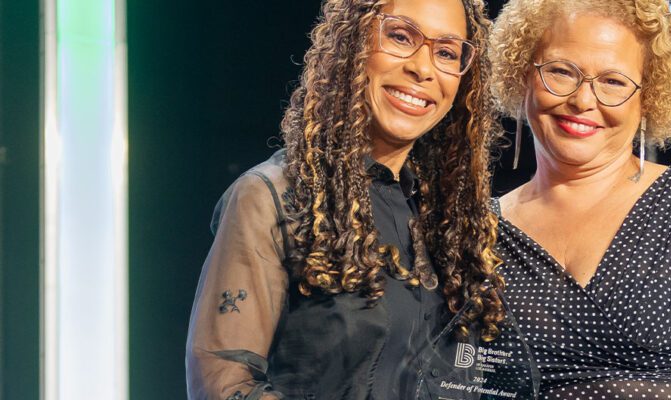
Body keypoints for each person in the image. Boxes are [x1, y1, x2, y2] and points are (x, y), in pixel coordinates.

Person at [185, 0, 507, 398]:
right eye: (401, 36)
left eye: (446, 52)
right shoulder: (273, 198)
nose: (423, 68)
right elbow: (224, 384)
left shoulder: (453, 222)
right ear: (353, 41)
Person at [488, 0, 671, 398]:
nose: (583, 100)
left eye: (613, 82)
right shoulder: (481, 227)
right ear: (522, 75)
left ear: (648, 98)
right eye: (560, 72)